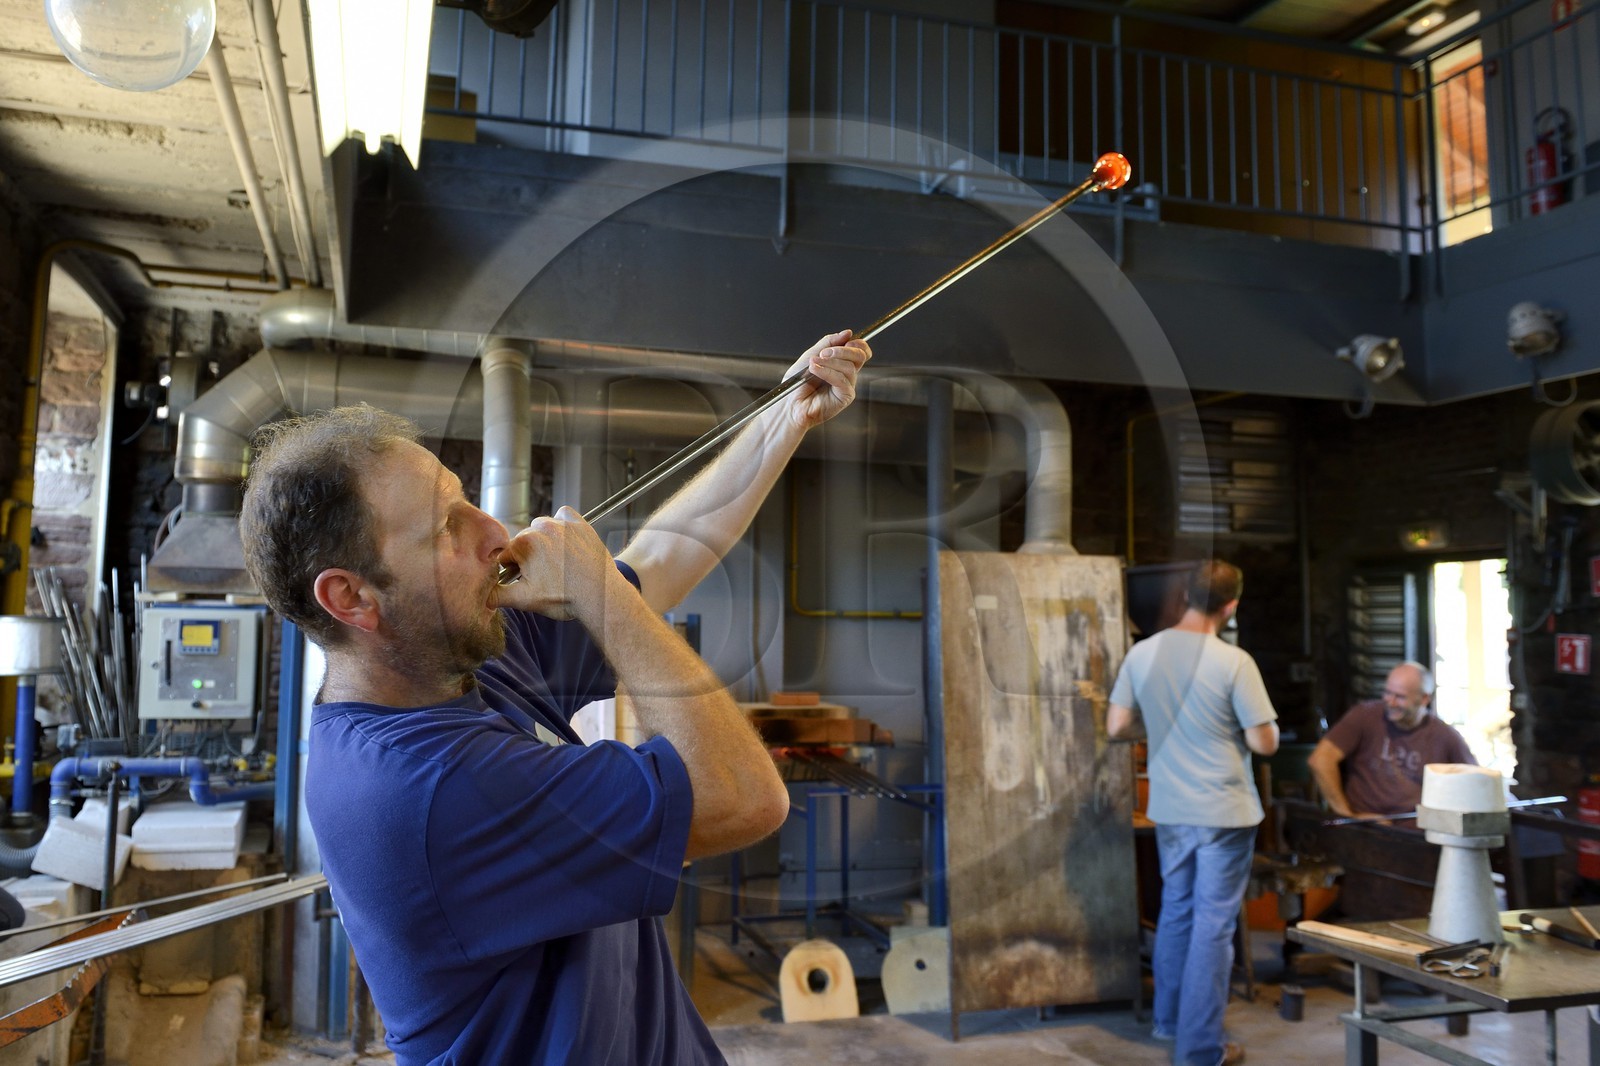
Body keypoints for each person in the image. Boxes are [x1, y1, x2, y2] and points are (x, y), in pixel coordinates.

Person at [239, 331, 869, 1065]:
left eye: (467, 501)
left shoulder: (452, 660)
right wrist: (597, 591)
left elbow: (658, 562)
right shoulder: (430, 787)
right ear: (351, 596)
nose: (495, 534)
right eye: (448, 528)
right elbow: (742, 795)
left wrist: (781, 418)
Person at [1107, 561, 1279, 1066]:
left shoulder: (1143, 653)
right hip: (1224, 811)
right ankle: (1200, 1049)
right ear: (1230, 606)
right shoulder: (1234, 662)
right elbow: (1263, 741)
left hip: (1171, 809)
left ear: (1184, 597)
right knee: (1213, 926)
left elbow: (1117, 726)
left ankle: (1168, 1021)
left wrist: (1162, 723)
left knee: (1176, 913)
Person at [1307, 661, 1475, 821]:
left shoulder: (1445, 736)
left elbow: (1474, 783)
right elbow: (1320, 760)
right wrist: (1347, 815)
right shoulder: (1364, 716)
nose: (1390, 702)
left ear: (1424, 699)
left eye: (1400, 697)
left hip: (1415, 835)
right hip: (1363, 828)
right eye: (1387, 693)